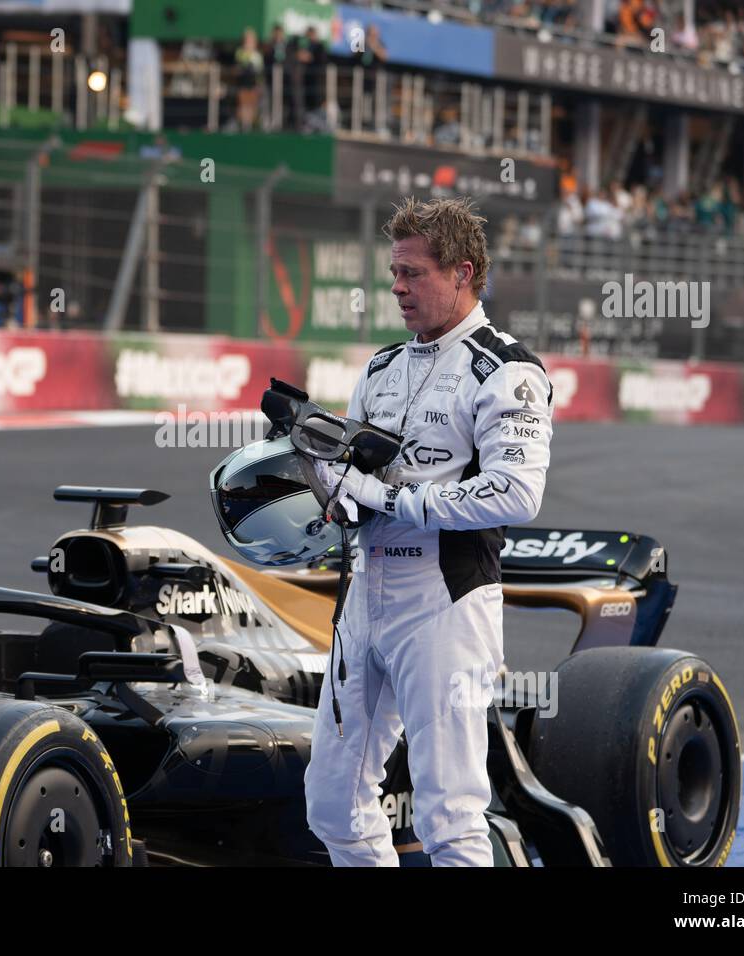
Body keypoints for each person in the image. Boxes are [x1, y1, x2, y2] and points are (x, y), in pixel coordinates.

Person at [303, 196, 553, 866]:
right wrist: (316, 474)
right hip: (363, 597)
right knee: (332, 799)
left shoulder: (507, 368)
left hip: (445, 599)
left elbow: (518, 491)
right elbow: (351, 493)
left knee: (450, 815)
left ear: (462, 273)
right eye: (394, 271)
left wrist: (396, 499)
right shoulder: (381, 368)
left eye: (412, 272)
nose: (396, 286)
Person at [233, 28, 264, 131]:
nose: (248, 42)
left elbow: (260, 71)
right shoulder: (240, 52)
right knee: (243, 106)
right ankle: (243, 126)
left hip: (253, 84)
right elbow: (239, 64)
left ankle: (252, 127)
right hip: (243, 84)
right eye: (247, 40)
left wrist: (259, 85)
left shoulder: (257, 55)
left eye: (251, 40)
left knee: (252, 107)